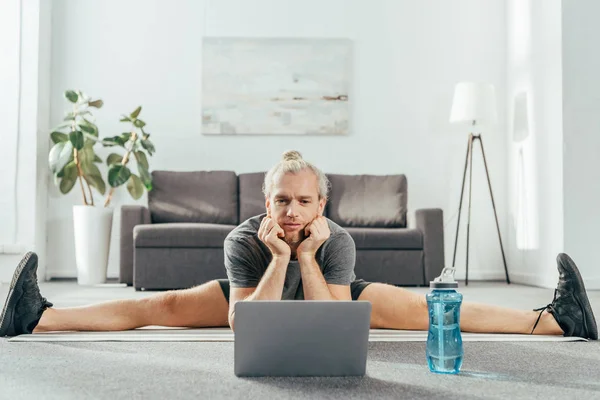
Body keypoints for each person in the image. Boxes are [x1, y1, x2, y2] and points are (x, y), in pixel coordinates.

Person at [0, 150, 597, 340]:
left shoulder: (333, 240)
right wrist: (280, 257)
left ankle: (554, 320)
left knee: (429, 309)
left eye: (304, 201)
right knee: (159, 307)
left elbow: (332, 321)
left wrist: (307, 255)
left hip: (325, 288)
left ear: (321, 205)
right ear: (267, 204)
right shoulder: (243, 239)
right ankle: (40, 316)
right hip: (256, 291)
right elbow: (244, 321)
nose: (291, 212)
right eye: (281, 201)